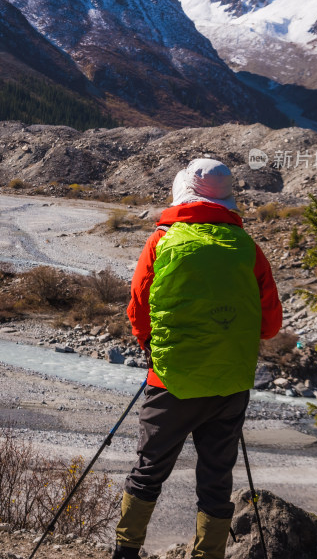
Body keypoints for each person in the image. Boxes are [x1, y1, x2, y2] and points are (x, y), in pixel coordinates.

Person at [112, 158, 282, 559]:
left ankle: (125, 551)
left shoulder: (162, 239)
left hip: (170, 382)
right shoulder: (247, 248)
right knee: (217, 480)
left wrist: (154, 349)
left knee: (149, 470)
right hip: (231, 385)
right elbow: (270, 325)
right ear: (228, 200)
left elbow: (138, 309)